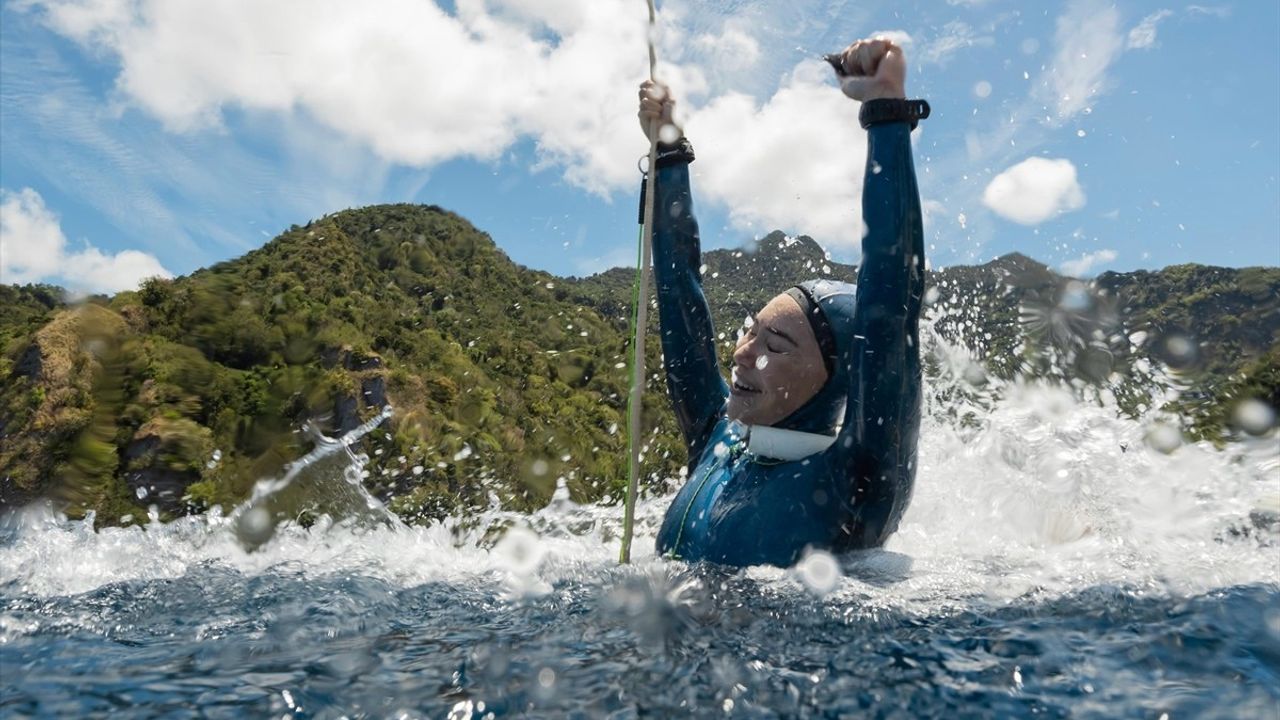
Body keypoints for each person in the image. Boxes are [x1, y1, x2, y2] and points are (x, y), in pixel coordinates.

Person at [637, 38, 926, 567]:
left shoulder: (857, 480)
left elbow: (891, 307)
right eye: (750, 332)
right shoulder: (716, 437)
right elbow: (681, 296)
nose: (743, 353)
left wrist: (886, 112)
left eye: (776, 344)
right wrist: (668, 152)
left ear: (838, 373)